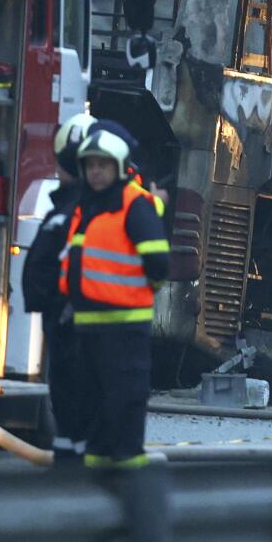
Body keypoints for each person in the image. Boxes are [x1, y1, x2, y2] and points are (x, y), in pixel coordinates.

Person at [59, 128, 169, 468]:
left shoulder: (134, 205)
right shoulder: (86, 206)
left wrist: (136, 294)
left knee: (125, 397)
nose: (95, 172)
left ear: (119, 167)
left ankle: (127, 469)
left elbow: (159, 263)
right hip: (88, 325)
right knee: (92, 400)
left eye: (103, 165)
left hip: (124, 325)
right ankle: (97, 467)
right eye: (90, 165)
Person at [21, 111, 95, 466]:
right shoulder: (78, 208)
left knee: (76, 411)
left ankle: (74, 480)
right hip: (67, 324)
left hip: (74, 327)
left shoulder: (81, 211)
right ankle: (70, 476)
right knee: (69, 413)